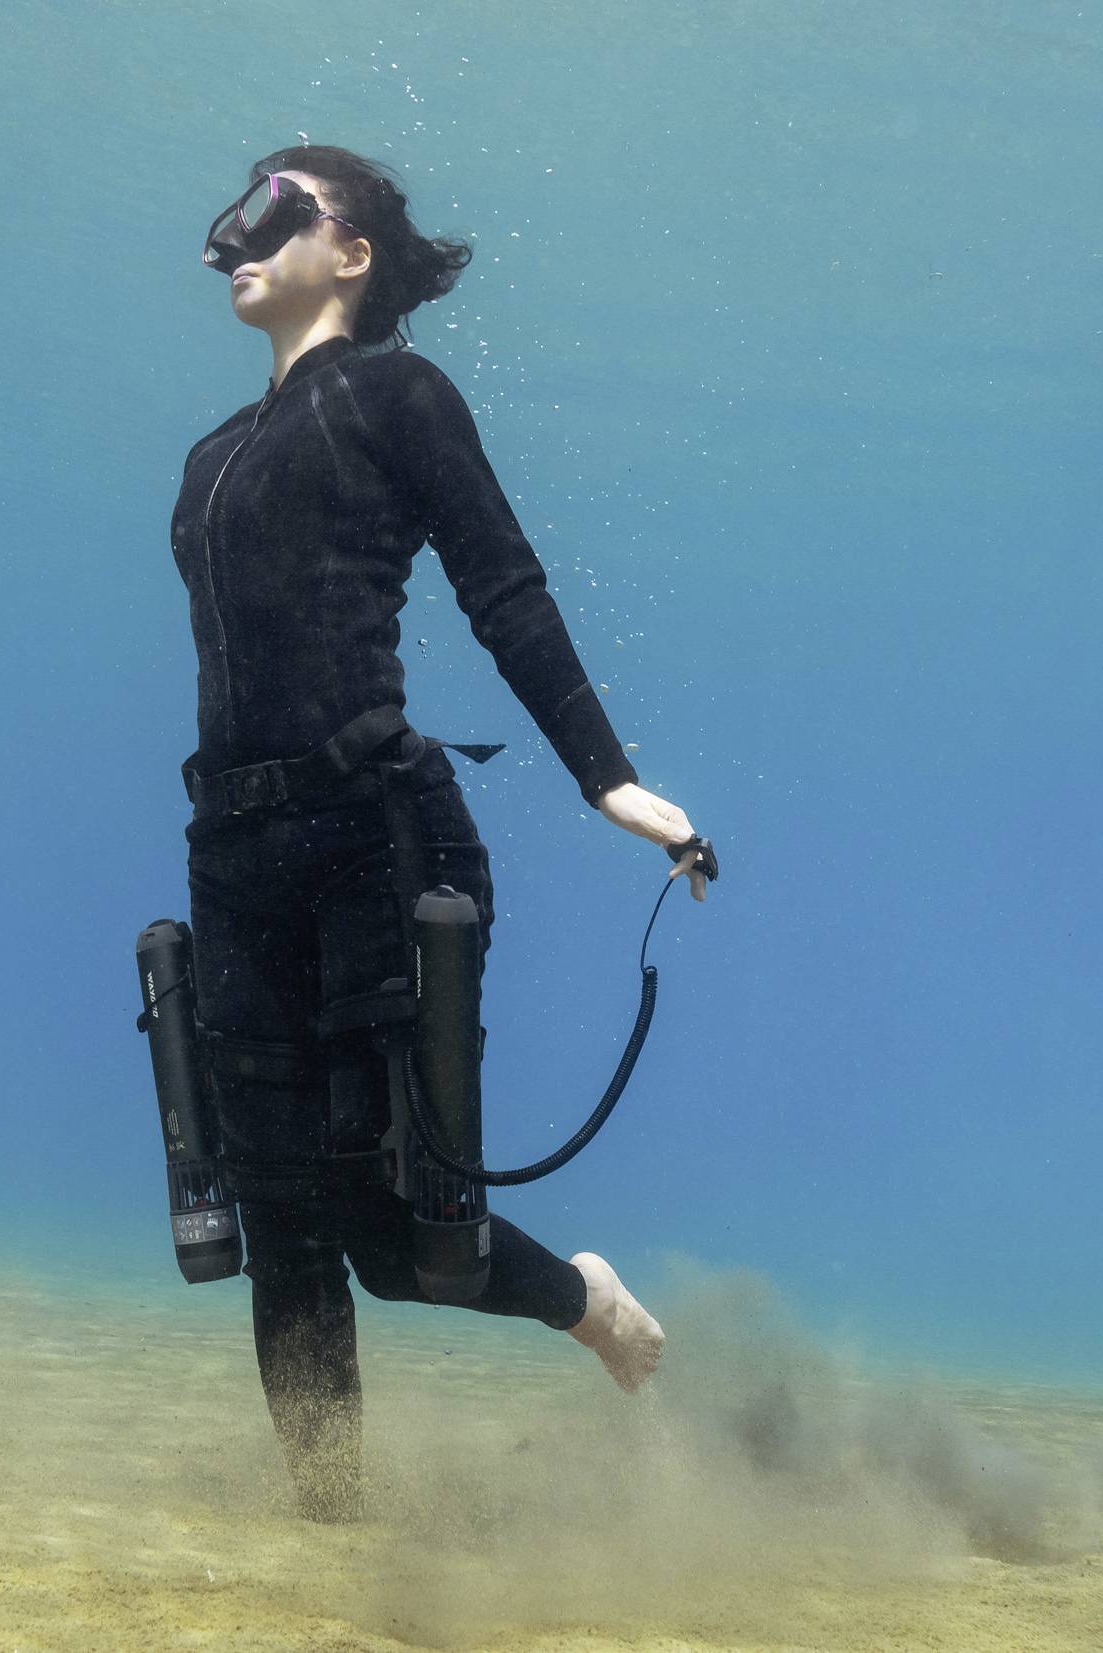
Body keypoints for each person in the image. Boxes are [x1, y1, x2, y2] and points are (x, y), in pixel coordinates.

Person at [172, 144, 704, 1522]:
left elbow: (502, 584)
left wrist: (607, 778)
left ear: (351, 254)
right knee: (282, 1228)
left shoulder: (398, 393)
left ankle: (588, 1301)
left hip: (377, 842)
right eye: (236, 213)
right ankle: (333, 1530)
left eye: (277, 210)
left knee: (411, 1243)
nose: (238, 233)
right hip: (232, 867)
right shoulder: (211, 459)